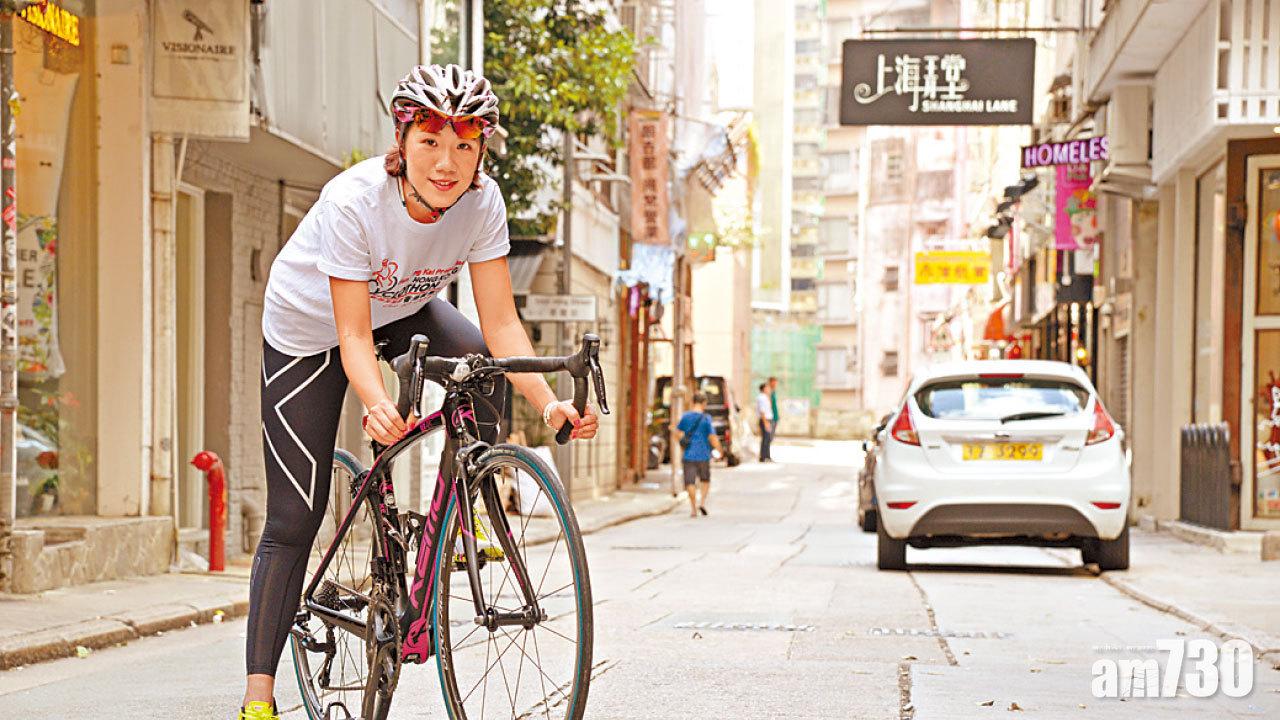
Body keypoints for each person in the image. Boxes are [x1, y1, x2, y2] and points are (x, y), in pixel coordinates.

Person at [239, 64, 600, 720]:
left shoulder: (483, 202)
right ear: (401, 140)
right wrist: (378, 402)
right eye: (431, 140)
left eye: (465, 144)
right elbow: (350, 335)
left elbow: (501, 323)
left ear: (482, 150)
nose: (447, 161)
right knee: (295, 517)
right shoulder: (354, 201)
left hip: (404, 309)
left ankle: (453, 516)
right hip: (310, 329)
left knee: (481, 369)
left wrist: (549, 405)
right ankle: (257, 700)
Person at [677, 392, 720, 517]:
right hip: (703, 454)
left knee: (690, 482)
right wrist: (719, 450)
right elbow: (712, 437)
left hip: (688, 454)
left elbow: (678, 433)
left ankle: (693, 507)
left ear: (692, 402)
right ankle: (702, 503)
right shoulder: (706, 418)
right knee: (705, 479)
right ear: (704, 403)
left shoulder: (685, 417)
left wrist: (683, 444)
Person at [755, 382, 773, 462]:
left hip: (766, 419)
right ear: (764, 389)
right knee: (766, 439)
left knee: (767, 438)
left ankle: (766, 456)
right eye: (768, 388)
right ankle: (764, 456)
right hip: (765, 420)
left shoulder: (765, 397)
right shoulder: (762, 398)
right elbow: (762, 411)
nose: (769, 389)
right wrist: (766, 422)